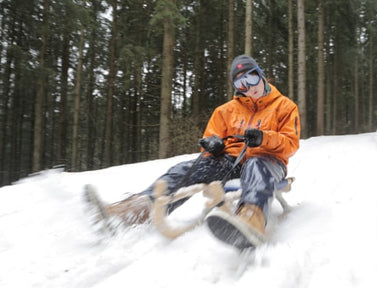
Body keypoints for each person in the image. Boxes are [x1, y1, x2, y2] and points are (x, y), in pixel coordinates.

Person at [91, 55, 300, 249]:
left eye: (251, 78)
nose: (248, 87)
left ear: (260, 74)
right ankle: (136, 210)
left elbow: (291, 143)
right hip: (231, 161)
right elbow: (211, 138)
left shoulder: (284, 106)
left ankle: (251, 219)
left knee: (256, 166)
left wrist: (265, 138)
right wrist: (213, 146)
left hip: (268, 161)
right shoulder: (225, 111)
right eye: (240, 83)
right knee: (190, 168)